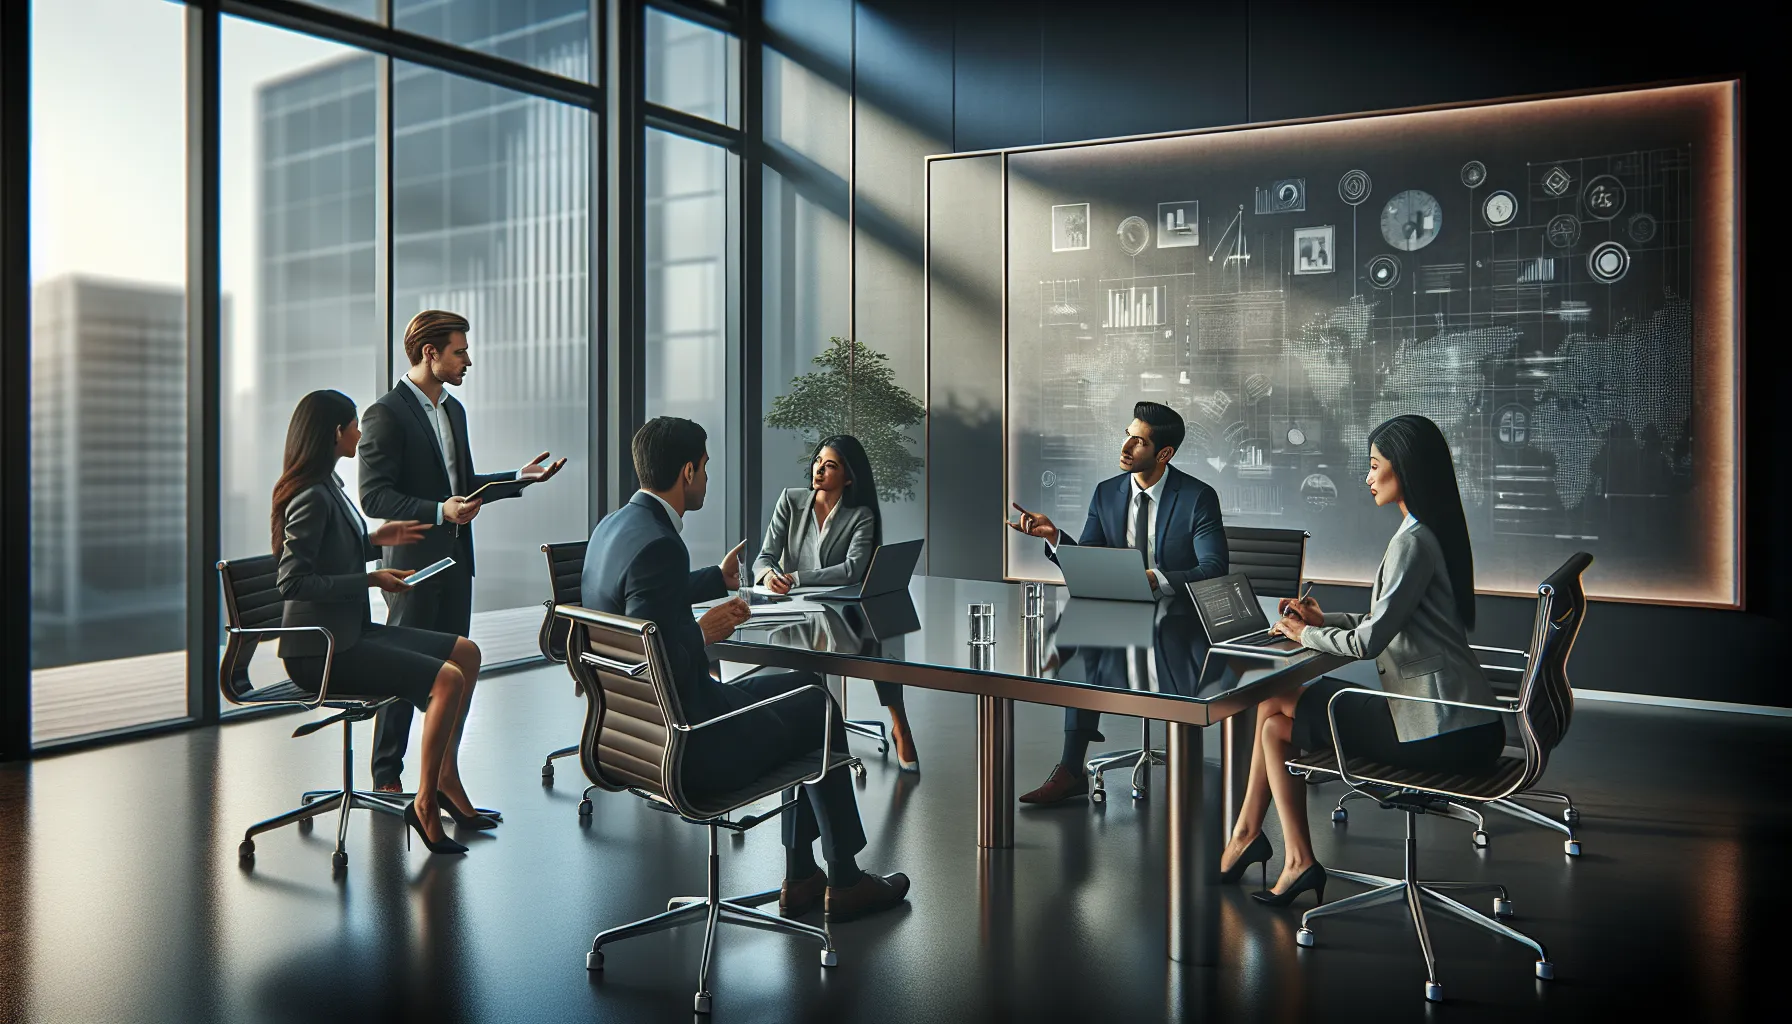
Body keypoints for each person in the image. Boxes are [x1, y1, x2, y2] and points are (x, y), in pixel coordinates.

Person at [581, 417, 911, 922]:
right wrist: (705, 631)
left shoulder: (613, 528)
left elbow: (638, 604)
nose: (708, 479)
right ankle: (842, 879)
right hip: (693, 738)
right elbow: (666, 651)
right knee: (816, 704)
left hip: (632, 736)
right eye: (707, 468)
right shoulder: (662, 544)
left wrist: (713, 580)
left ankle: (803, 878)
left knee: (804, 687)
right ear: (687, 471)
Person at [1221, 414, 1505, 906]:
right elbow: (1388, 618)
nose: (1368, 477)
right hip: (1466, 721)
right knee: (1272, 722)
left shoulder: (1412, 542)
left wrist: (1305, 631)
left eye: (1375, 466)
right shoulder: (1430, 531)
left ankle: (1274, 849)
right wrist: (1322, 616)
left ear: (1406, 471)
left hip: (1438, 732)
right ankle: (1264, 844)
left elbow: (1370, 642)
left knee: (1272, 710)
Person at [271, 390, 492, 855]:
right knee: (448, 681)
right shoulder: (311, 495)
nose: (359, 433)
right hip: (323, 651)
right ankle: (426, 804)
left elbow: (332, 550)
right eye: (354, 425)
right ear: (335, 432)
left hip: (351, 635)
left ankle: (445, 775)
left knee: (466, 653)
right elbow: (293, 582)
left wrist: (376, 542)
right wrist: (370, 578)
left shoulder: (330, 486)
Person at [357, 310, 565, 796]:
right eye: (460, 351)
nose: (468, 360)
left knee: (457, 675)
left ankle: (443, 775)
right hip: (411, 568)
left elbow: (461, 489)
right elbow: (374, 497)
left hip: (456, 563)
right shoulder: (386, 413)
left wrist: (515, 480)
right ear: (431, 354)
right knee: (403, 673)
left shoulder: (453, 411)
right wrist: (437, 510)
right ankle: (386, 775)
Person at [1006, 400, 1228, 805]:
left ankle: (1196, 774)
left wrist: (1155, 578)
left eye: (1138, 441)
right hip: (1119, 613)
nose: (1126, 446)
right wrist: (1055, 538)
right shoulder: (1107, 493)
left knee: (1106, 644)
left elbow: (1213, 567)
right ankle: (1071, 769)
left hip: (1179, 618)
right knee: (1080, 644)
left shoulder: (1198, 497)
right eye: (1127, 435)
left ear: (1164, 454)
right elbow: (1089, 557)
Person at [753, 435, 920, 771]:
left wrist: (798, 576)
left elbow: (852, 569)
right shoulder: (791, 500)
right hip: (796, 611)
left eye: (830, 465)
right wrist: (770, 576)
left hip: (842, 610)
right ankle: (818, 731)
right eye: (818, 461)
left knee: (882, 638)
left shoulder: (860, 516)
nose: (819, 469)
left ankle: (899, 721)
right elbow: (764, 557)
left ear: (848, 476)